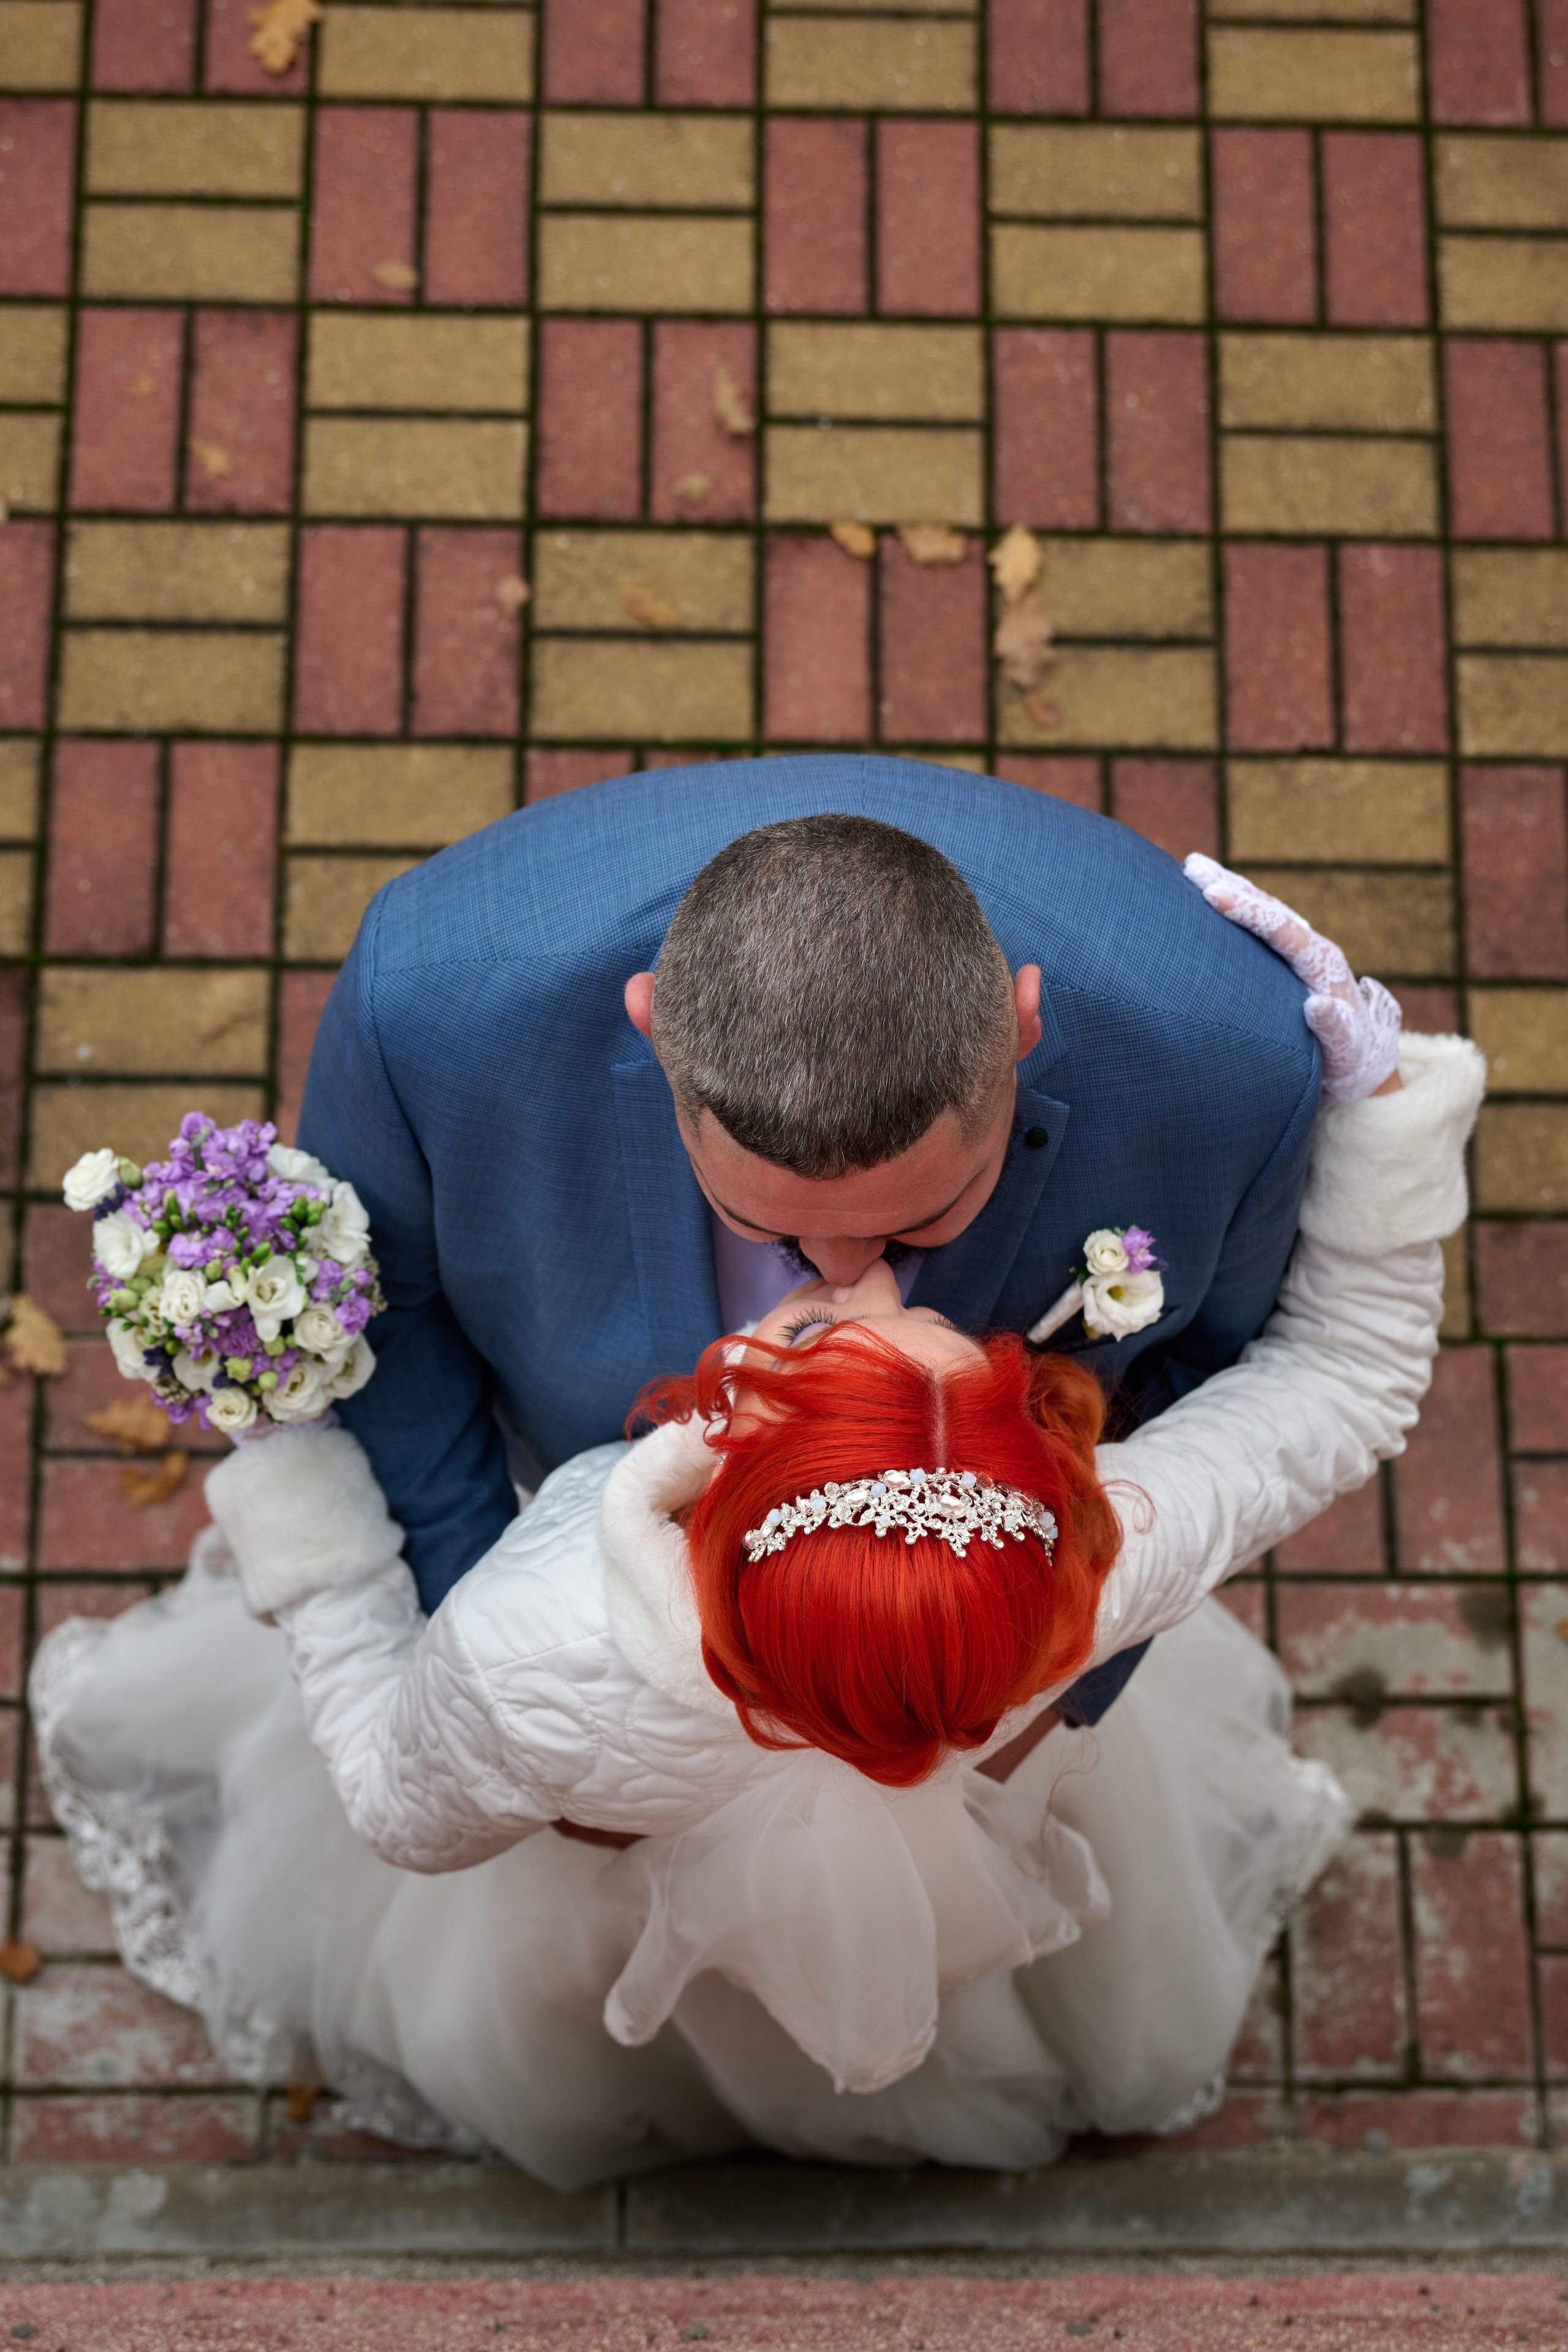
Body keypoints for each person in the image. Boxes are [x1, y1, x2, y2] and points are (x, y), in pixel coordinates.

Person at [33, 878, 1484, 2186]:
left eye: (820, 1347)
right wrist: (1379, 1106)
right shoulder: (1068, 1570)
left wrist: (289, 1449)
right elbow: (1340, 1382)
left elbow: (393, 1800)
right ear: (1035, 1481)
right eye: (932, 1343)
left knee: (553, 1989)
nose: (862, 1281)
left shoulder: (531, 1644)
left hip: (590, 1805)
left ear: (723, 1471)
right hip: (936, 1816)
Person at [297, 761, 1330, 1730]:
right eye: (768, 1224)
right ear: (654, 1033)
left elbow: (1204, 1370)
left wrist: (1037, 1682)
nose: (847, 1279)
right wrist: (490, 1646)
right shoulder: (423, 1007)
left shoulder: (1234, 1067)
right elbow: (390, 1315)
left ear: (1023, 1029)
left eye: (918, 1220)